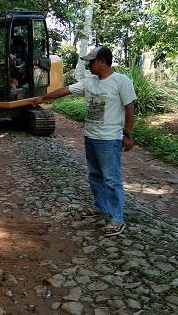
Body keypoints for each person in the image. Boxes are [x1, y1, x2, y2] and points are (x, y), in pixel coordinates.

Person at [32, 46, 136, 237]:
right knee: (95, 175)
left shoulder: (121, 81)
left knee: (112, 179)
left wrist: (128, 134)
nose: (89, 65)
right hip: (91, 136)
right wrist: (43, 97)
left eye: (92, 61)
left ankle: (117, 219)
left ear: (102, 61)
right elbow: (66, 90)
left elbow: (130, 108)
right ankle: (100, 207)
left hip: (109, 138)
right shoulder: (90, 82)